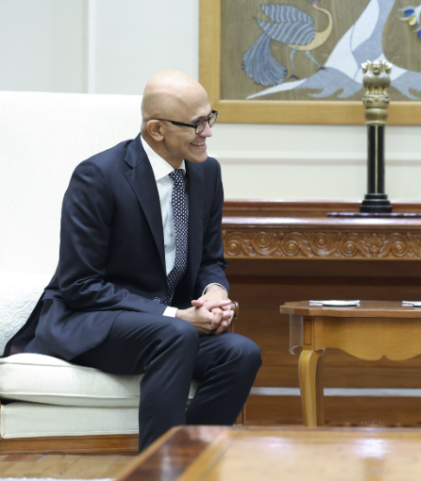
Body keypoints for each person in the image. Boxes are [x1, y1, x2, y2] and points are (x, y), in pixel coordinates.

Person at [9, 70, 262, 451]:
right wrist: (176, 317)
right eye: (196, 124)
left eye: (209, 118)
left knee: (242, 353)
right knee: (175, 334)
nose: (207, 132)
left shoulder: (207, 172)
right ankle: (156, 472)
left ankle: (187, 462)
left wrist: (213, 294)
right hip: (92, 320)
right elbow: (81, 285)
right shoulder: (98, 176)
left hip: (164, 327)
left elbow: (211, 259)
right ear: (157, 129)